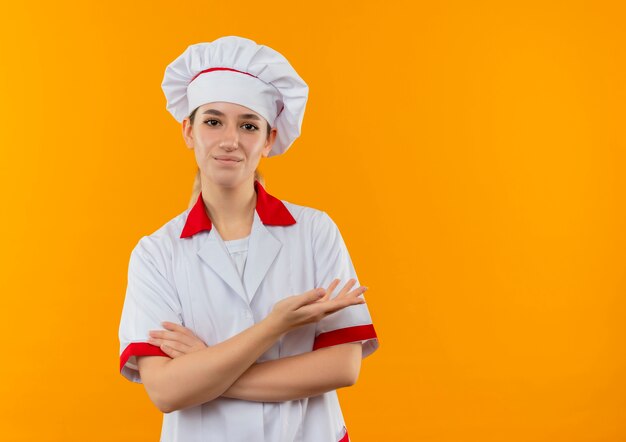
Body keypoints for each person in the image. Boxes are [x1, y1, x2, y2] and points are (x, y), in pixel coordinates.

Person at [118, 36, 379, 442]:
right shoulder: (156, 253)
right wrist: (274, 327)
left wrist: (203, 370)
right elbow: (166, 391)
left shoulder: (314, 231)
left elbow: (342, 367)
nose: (230, 140)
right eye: (212, 121)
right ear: (188, 130)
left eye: (248, 125)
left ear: (269, 140)